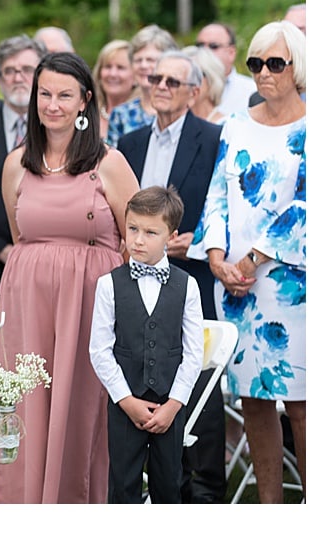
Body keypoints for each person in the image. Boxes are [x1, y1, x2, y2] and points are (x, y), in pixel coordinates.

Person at [0, 51, 140, 504]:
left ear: (85, 102)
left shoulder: (108, 162)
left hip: (88, 303)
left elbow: (134, 239)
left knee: (81, 410)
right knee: (26, 405)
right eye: (44, 94)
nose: (52, 104)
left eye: (64, 95)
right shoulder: (17, 163)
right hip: (27, 303)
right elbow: (23, 237)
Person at [188, 20, 306, 504]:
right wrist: (216, 256)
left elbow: (305, 206)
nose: (263, 73)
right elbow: (219, 191)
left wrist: (254, 258)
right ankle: (270, 509)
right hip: (235, 283)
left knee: (301, 403)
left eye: (275, 63)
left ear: (297, 67)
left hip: (290, 283)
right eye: (255, 63)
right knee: (253, 400)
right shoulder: (236, 123)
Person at [116, 51, 226, 503]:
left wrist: (194, 242)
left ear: (194, 92)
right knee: (146, 371)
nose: (160, 85)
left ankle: (207, 492)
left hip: (191, 272)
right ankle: (162, 487)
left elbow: (223, 206)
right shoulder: (131, 142)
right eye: (155, 78)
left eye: (172, 81)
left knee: (199, 381)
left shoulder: (215, 138)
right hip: (137, 275)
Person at [89, 186, 205, 504]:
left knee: (169, 486)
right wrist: (126, 400)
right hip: (125, 404)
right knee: (123, 486)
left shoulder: (187, 286)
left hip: (170, 406)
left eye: (151, 232)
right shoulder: (108, 284)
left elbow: (194, 352)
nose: (138, 240)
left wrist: (174, 405)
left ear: (171, 234)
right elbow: (99, 349)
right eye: (133, 229)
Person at [0, 34, 46, 289]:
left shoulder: (58, 128)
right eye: (9, 71)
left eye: (27, 70)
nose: (18, 78)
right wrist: (0, 249)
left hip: (49, 261)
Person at [106, 24, 177, 147]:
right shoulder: (121, 115)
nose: (143, 66)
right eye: (138, 60)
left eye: (150, 60)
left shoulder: (180, 110)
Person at [195, 22, 257, 117]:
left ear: (231, 53)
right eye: (200, 46)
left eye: (213, 46)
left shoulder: (252, 90)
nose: (205, 51)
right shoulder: (186, 86)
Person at [91, 39, 136, 139]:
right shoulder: (87, 111)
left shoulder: (140, 119)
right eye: (108, 67)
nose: (112, 74)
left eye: (120, 68)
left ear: (135, 76)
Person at [184, 44, 228, 124]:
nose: (187, 81)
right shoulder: (173, 125)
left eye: (194, 74)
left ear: (212, 80)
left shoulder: (226, 126)